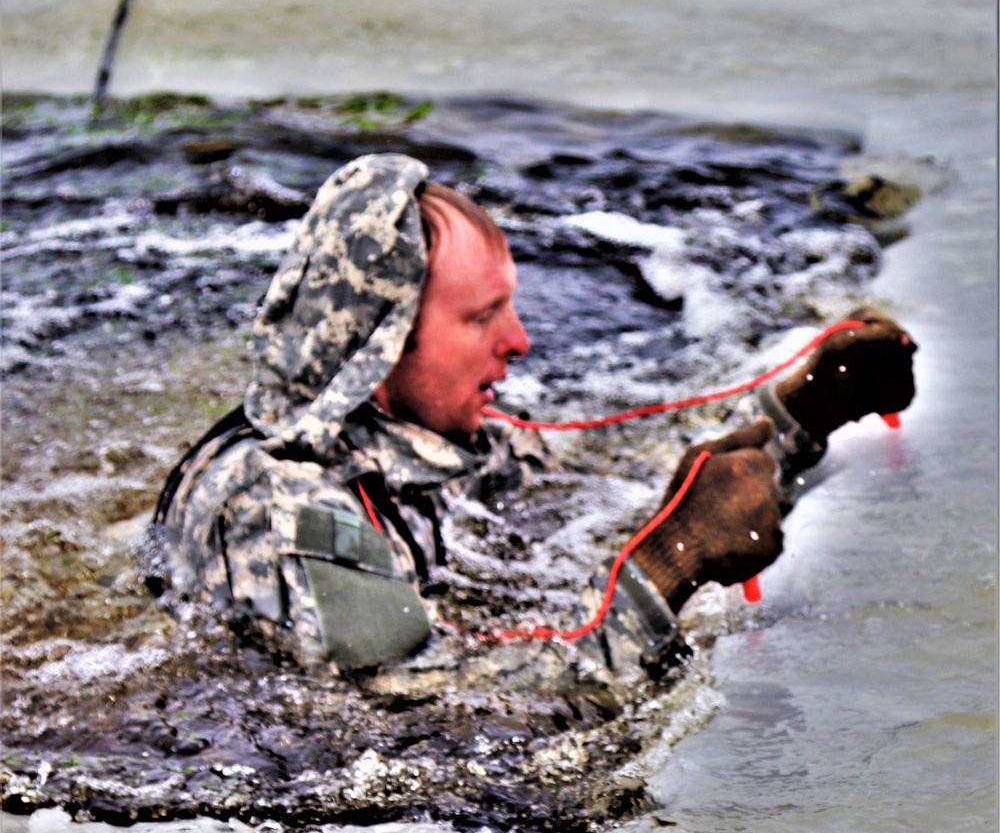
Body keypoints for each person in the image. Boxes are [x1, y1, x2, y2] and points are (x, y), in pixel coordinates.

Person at [152, 154, 916, 679]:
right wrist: (675, 562)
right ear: (381, 342)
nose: (517, 342)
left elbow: (621, 485)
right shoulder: (286, 507)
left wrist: (803, 411)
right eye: (482, 316)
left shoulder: (429, 438)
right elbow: (434, 714)